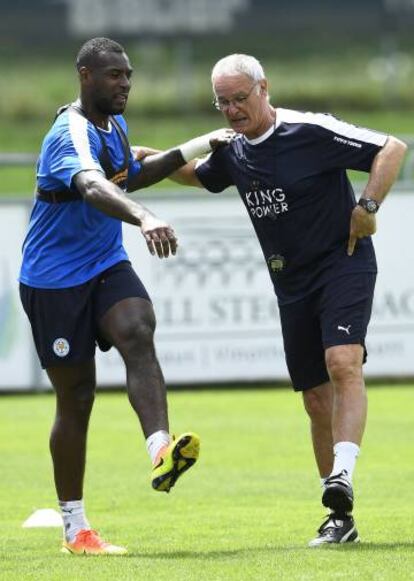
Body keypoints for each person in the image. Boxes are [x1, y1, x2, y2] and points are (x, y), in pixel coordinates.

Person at [166, 53, 407, 546]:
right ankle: (339, 516)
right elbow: (197, 175)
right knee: (316, 400)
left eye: (240, 98)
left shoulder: (308, 130)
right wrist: (144, 157)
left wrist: (367, 206)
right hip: (290, 283)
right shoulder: (233, 151)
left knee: (344, 362)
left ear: (264, 89)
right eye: (223, 102)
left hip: (344, 260)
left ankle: (342, 474)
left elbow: (392, 147)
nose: (232, 110)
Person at [18, 37, 233, 556]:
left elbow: (130, 176)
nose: (125, 85)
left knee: (138, 330)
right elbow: (94, 187)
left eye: (129, 76)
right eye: (115, 76)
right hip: (53, 280)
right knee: (77, 398)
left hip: (105, 263)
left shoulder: (114, 127)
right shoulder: (66, 132)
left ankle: (161, 451)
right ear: (86, 76)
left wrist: (203, 143)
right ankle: (76, 528)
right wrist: (145, 217)